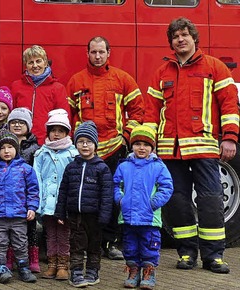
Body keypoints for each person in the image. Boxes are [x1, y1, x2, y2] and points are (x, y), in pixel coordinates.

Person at [145, 17, 239, 274]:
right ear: (171, 43)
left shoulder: (215, 68)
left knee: (210, 201)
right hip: (169, 150)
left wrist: (230, 136)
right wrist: (147, 143)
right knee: (177, 202)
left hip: (203, 148)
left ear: (194, 38)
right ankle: (187, 252)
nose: (180, 39)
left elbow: (229, 105)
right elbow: (152, 112)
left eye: (184, 35)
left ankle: (214, 256)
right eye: (175, 37)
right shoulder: (161, 73)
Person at [67, 36, 144, 260]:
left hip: (114, 150)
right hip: (85, 154)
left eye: (101, 52)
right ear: (87, 53)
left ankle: (110, 243)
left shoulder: (123, 79)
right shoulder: (76, 81)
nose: (98, 56)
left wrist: (126, 137)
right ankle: (89, 244)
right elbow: (69, 115)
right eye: (93, 52)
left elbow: (138, 110)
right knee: (86, 199)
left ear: (108, 53)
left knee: (112, 198)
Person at [113, 125, 173, 289]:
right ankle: (133, 272)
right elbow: (116, 185)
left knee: (149, 247)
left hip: (150, 218)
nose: (141, 148)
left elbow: (166, 187)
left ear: (152, 147)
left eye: (146, 144)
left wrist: (154, 202)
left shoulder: (158, 166)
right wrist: (120, 200)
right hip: (128, 217)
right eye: (138, 143)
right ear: (132, 145)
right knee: (130, 247)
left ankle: (148, 273)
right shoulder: (124, 166)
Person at [55, 121, 113, 288]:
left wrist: (104, 216)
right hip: (75, 215)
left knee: (94, 245)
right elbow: (63, 191)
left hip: (95, 216)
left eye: (89, 142)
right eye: (81, 141)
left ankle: (93, 271)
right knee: (76, 245)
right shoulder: (71, 167)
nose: (85, 145)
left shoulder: (102, 168)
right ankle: (76, 272)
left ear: (95, 145)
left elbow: (107, 195)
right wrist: (60, 213)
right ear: (76, 144)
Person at [0, 129, 39, 284]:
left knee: (21, 243)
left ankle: (23, 268)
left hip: (19, 215)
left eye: (10, 147)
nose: (6, 151)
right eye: (2, 148)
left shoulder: (26, 169)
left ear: (16, 149)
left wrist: (32, 208)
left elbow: (33, 191)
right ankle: (1, 268)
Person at [33, 109, 77, 280]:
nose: (56, 134)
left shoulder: (73, 154)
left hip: (63, 202)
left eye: (60, 131)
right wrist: (38, 204)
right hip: (47, 203)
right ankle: (52, 264)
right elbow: (37, 178)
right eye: (53, 130)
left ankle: (63, 265)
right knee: (50, 234)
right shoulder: (41, 153)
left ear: (67, 133)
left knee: (64, 234)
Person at [10, 45, 70, 145]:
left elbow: (64, 119)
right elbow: (11, 116)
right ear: (26, 65)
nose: (35, 65)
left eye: (38, 61)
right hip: (21, 143)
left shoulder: (57, 88)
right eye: (30, 62)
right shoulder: (16, 86)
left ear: (45, 63)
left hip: (47, 144)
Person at [7, 107, 40, 272]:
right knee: (11, 226)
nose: (17, 125)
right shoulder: (5, 144)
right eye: (13, 122)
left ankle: (32, 257)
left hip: (26, 193)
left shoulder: (34, 148)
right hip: (9, 193)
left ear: (29, 126)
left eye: (21, 122)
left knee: (30, 225)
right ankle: (11, 256)